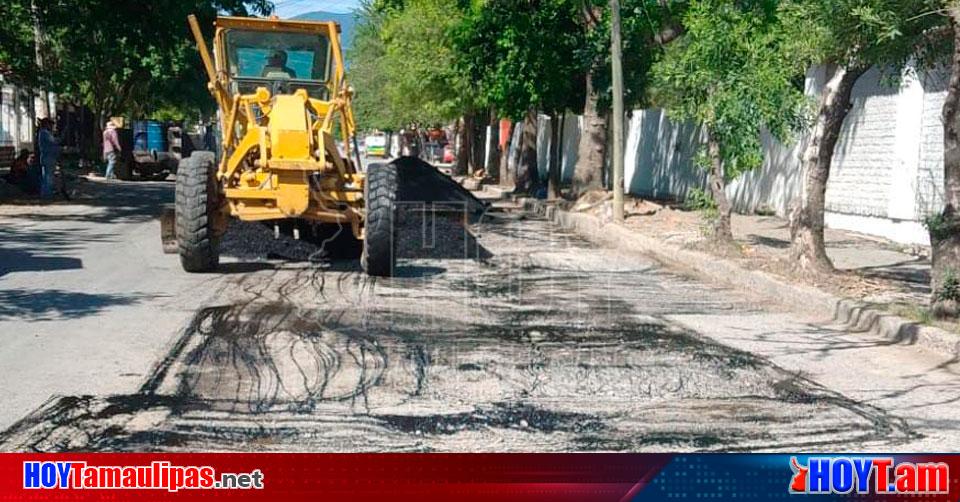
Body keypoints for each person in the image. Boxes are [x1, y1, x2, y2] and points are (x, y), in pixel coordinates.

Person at [37, 118, 60, 199]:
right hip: (48, 157)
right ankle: (47, 194)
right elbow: (54, 141)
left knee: (46, 176)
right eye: (50, 124)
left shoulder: (43, 133)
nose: (51, 126)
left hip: (46, 157)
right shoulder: (45, 133)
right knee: (48, 177)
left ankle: (45, 194)